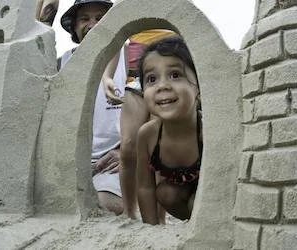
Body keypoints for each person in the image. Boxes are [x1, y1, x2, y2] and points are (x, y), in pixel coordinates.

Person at [59, 0, 126, 215]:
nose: (92, 24)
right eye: (85, 19)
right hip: (73, 162)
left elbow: (157, 111)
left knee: (103, 204)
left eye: (100, 18)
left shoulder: (132, 56)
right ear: (74, 27)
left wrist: (129, 152)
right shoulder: (62, 64)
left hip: (115, 160)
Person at [102, 29, 175, 219]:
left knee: (159, 151)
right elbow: (116, 38)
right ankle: (129, 213)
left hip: (165, 80)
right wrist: (107, 76)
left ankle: (159, 219)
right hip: (136, 79)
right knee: (127, 148)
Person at [136, 37, 202, 225]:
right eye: (151, 79)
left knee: (197, 201)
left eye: (175, 75)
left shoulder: (206, 131)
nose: (162, 85)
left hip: (212, 196)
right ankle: (191, 223)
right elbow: (145, 188)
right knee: (165, 192)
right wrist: (151, 232)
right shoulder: (147, 136)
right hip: (178, 194)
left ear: (199, 85)